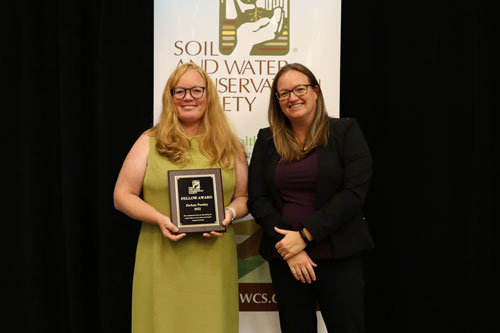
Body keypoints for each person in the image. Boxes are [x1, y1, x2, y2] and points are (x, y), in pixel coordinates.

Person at [113, 63, 248, 332]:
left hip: (214, 260)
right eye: (180, 91)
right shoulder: (149, 141)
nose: (188, 97)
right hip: (161, 257)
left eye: (197, 90)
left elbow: (243, 197)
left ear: (208, 95)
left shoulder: (230, 145)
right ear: (170, 97)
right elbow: (122, 195)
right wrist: (160, 218)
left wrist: (228, 215)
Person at [248, 63, 373, 332]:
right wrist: (289, 245)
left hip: (337, 254)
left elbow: (353, 194)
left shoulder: (345, 132)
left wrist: (303, 236)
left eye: (300, 89)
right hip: (287, 259)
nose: (292, 97)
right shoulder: (267, 139)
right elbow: (257, 199)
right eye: (283, 93)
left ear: (316, 91)